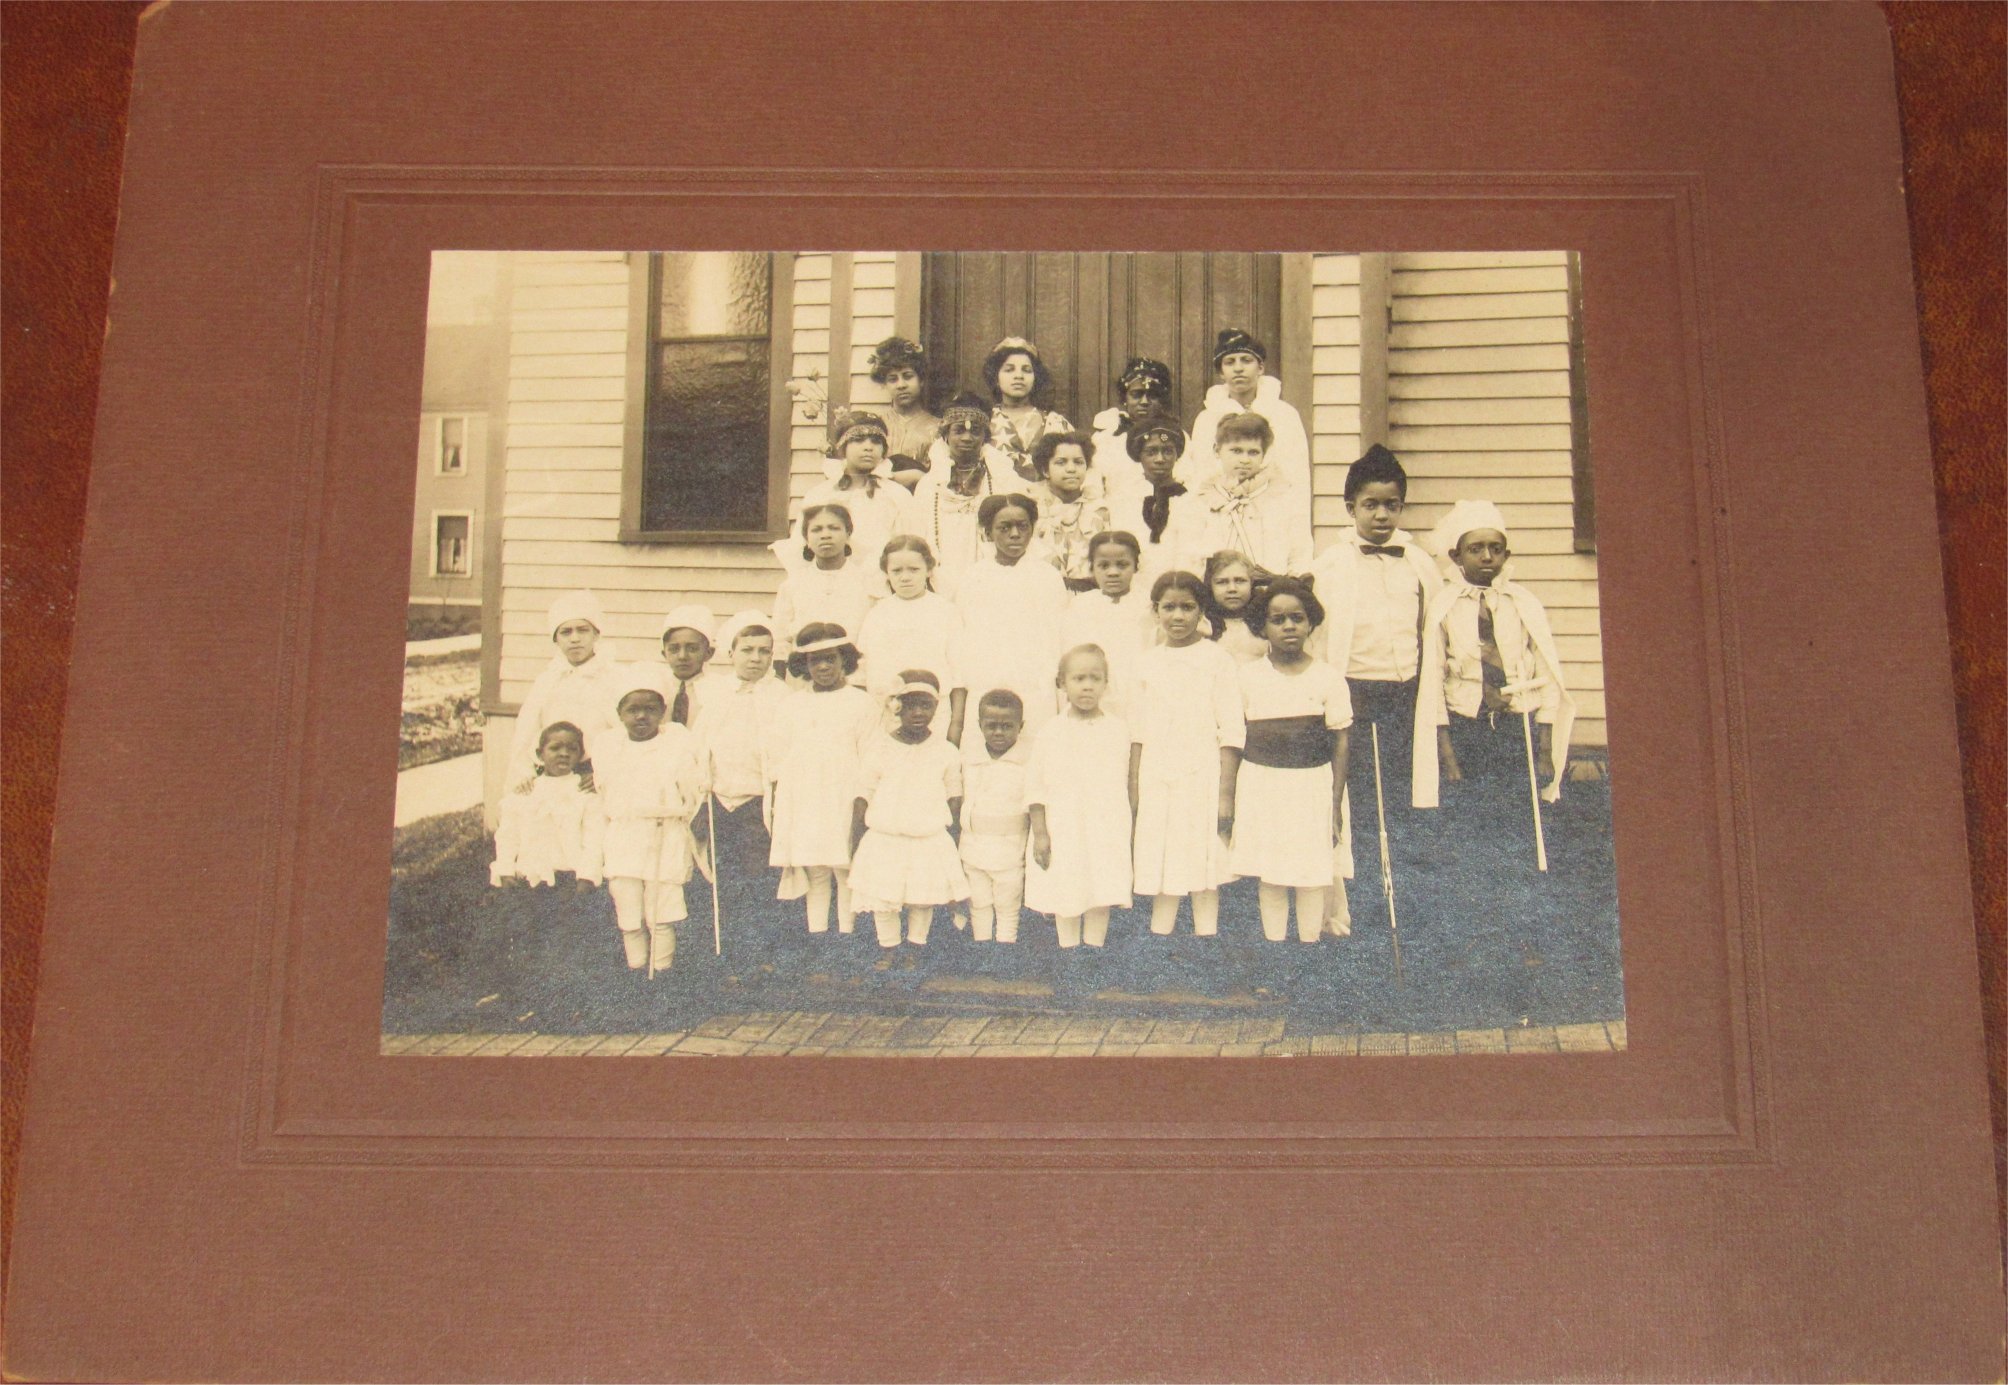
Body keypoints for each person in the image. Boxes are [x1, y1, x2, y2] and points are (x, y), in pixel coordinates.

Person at [1307, 444, 1444, 917]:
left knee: (1404, 795)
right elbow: (1318, 637)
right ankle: (1358, 901)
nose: (1382, 515)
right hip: (1354, 693)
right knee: (1357, 798)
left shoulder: (1420, 563)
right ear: (1351, 509)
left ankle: (1403, 897)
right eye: (1371, 505)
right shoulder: (1330, 565)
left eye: (1392, 505)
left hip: (1405, 696)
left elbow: (1432, 631)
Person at [1413, 498, 1576, 830]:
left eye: (1495, 548)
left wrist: (1545, 747)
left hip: (1518, 728)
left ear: (1506, 555)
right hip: (1467, 728)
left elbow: (1547, 677)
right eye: (1475, 549)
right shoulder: (1445, 607)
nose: (1487, 556)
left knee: (1518, 817)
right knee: (1471, 818)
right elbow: (1432, 683)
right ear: (1456, 556)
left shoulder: (1523, 604)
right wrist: (1447, 754)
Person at [1229, 578, 1353, 945]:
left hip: (1312, 784)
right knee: (1273, 872)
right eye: (1277, 619)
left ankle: (1309, 948)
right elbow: (1234, 740)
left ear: (1311, 623)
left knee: (1312, 871)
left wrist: (1334, 802)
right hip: (1263, 784)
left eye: (1297, 618)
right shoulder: (1247, 676)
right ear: (1262, 626)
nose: (1288, 627)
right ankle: (1276, 952)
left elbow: (1341, 741)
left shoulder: (1328, 677)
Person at [1130, 570, 1247, 940]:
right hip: (1158, 774)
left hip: (1202, 774)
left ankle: (1206, 942)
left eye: (1187, 607)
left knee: (1203, 861)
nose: (1177, 616)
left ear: (1201, 612)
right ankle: (1158, 943)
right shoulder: (1145, 663)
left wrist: (1226, 793)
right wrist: (1133, 787)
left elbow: (1231, 731)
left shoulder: (1217, 660)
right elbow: (1136, 733)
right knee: (1163, 858)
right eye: (1169, 607)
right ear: (1155, 611)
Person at [766, 623, 880, 937]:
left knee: (844, 868)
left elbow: (871, 757)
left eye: (830, 658)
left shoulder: (861, 703)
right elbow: (778, 756)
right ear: (804, 664)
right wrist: (780, 800)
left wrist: (863, 801)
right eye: (815, 660)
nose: (824, 666)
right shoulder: (792, 705)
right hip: (805, 798)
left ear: (845, 659)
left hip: (844, 796)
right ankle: (818, 936)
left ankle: (846, 936)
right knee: (815, 869)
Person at [848, 671, 968, 955]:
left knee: (921, 898)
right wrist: (856, 838)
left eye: (925, 705)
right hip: (885, 837)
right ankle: (888, 949)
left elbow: (954, 796)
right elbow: (863, 794)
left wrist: (951, 841)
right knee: (884, 897)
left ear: (936, 708)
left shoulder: (946, 751)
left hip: (927, 838)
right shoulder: (879, 748)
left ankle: (916, 950)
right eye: (910, 704)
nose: (917, 712)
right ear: (896, 706)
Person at [1025, 645, 1135, 952]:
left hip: (1104, 827)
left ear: (1105, 683)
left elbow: (1124, 782)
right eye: (1078, 678)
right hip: (1065, 827)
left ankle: (1093, 956)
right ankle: (1069, 957)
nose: (1087, 685)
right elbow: (1035, 786)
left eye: (1095, 678)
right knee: (1067, 889)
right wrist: (1041, 833)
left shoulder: (1117, 729)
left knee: (1101, 887)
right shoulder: (1051, 731)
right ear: (1062, 683)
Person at [591, 681, 705, 980]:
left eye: (650, 710)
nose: (641, 717)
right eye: (633, 710)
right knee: (629, 908)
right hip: (625, 836)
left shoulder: (676, 748)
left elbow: (692, 795)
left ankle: (662, 972)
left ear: (662, 713)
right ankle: (636, 970)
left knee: (661, 910)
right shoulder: (609, 749)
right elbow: (604, 797)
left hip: (664, 834)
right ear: (620, 714)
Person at [691, 611, 787, 943]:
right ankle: (725, 950)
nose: (756, 658)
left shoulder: (781, 698)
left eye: (764, 651)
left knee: (758, 878)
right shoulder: (715, 695)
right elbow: (700, 748)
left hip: (758, 804)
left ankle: (756, 953)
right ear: (731, 653)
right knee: (723, 878)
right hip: (720, 800)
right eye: (747, 650)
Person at [947, 493, 1068, 743]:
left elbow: (1059, 636)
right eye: (1004, 527)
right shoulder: (973, 578)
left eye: (1022, 526)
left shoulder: (1048, 577)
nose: (1014, 534)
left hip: (1036, 684)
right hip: (986, 681)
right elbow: (962, 642)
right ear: (988, 532)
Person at [1184, 327, 1313, 542]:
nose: (1238, 369)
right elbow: (1202, 476)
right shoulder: (1208, 418)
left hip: (1272, 515)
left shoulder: (1284, 414)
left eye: (1246, 360)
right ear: (1221, 372)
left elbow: (1296, 477)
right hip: (1223, 516)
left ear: (1260, 367)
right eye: (1230, 362)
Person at [504, 590, 630, 790]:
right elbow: (525, 732)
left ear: (596, 633)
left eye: (582, 630)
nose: (575, 639)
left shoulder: (614, 677)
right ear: (555, 639)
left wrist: (604, 773)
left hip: (597, 776)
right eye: (566, 632)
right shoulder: (548, 680)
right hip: (554, 774)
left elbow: (625, 733)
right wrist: (525, 771)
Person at [1167, 412, 1310, 578]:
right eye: (1236, 451)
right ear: (1217, 450)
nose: (1245, 460)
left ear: (1264, 455)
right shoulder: (1199, 500)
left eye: (1253, 452)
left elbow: (1300, 552)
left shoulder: (1284, 499)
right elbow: (1186, 558)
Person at [910, 392, 1018, 594]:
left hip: (991, 577)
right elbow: (917, 534)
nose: (967, 437)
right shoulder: (929, 484)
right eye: (959, 430)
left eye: (975, 431)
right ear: (945, 435)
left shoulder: (1003, 478)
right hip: (942, 574)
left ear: (985, 437)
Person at [795, 408, 917, 586]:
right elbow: (802, 546)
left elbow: (909, 545)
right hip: (829, 583)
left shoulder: (896, 495)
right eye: (858, 440)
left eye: (876, 442)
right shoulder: (821, 494)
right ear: (842, 448)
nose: (868, 447)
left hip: (881, 583)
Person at [856, 535, 960, 733]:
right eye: (896, 570)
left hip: (933, 713)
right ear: (886, 573)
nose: (905, 577)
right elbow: (861, 670)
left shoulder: (945, 611)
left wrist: (956, 725)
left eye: (914, 569)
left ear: (929, 570)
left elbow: (958, 672)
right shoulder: (877, 613)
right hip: (886, 711)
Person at [956, 689, 1031, 947]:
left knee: (1007, 900)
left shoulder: (1025, 763)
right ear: (980, 725)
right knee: (978, 899)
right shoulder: (971, 760)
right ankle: (982, 945)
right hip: (973, 845)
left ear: (1020, 727)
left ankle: (1005, 946)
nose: (998, 732)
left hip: (1009, 847)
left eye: (1007, 726)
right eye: (991, 726)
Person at [490, 721, 603, 890]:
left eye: (572, 749)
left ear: (581, 756)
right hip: (528, 877)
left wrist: (586, 877)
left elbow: (594, 839)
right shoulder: (526, 792)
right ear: (540, 754)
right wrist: (506, 870)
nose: (564, 753)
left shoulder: (585, 793)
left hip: (571, 878)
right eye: (555, 748)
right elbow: (508, 835)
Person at [1058, 530, 1153, 717]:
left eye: (1122, 565)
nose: (1113, 572)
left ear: (1136, 565)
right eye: (1104, 565)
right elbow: (1071, 655)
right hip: (1094, 695)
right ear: (1092, 568)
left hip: (1139, 695)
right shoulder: (1080, 606)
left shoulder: (1148, 605)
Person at [770, 502, 874, 674]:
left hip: (855, 675)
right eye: (816, 530)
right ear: (807, 539)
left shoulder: (867, 582)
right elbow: (780, 638)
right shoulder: (793, 585)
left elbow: (872, 636)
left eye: (834, 528)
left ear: (848, 534)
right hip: (804, 676)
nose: (825, 535)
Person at [1105, 409, 1195, 587]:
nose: (1160, 459)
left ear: (1177, 455)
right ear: (1139, 456)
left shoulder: (1190, 498)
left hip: (1179, 585)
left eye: (1167, 451)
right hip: (1134, 585)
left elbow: (1191, 552)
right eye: (1151, 452)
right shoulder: (1124, 499)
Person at [1027, 429, 1120, 592]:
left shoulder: (1099, 508)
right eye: (1061, 462)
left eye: (1078, 462)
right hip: (1043, 592)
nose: (1071, 469)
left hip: (1091, 594)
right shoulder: (1032, 508)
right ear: (1045, 470)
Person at [982, 336, 1072, 483]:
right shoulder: (984, 422)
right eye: (1009, 370)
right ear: (996, 378)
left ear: (1035, 378)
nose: (1019, 376)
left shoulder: (1055, 422)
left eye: (1027, 370)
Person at [1090, 356, 1177, 492]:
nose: (1144, 402)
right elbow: (1093, 483)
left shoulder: (1173, 436)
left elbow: (1186, 479)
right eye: (1136, 395)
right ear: (1125, 398)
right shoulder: (1107, 438)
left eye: (1152, 395)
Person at [866, 336, 940, 488]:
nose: (901, 385)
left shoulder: (939, 427)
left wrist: (919, 477)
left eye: (908, 376)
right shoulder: (874, 426)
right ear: (884, 384)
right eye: (893, 379)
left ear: (921, 380)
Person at [656, 604, 724, 730]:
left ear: (709, 653)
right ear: (664, 654)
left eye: (692, 649)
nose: (682, 656)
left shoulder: (720, 691)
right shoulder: (656, 688)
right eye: (674, 649)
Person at [1202, 550, 1269, 663]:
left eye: (1240, 581)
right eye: (1222, 582)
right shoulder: (1203, 624)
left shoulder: (1266, 621)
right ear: (1210, 586)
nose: (1232, 589)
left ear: (1251, 583)